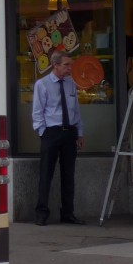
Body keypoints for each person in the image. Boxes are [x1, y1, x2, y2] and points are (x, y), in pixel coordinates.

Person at [32, 51, 85, 225]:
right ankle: (41, 213)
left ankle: (68, 213)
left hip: (69, 132)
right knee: (46, 173)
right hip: (51, 132)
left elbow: (75, 110)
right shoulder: (43, 84)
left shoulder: (71, 85)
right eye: (66, 65)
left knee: (68, 174)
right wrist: (43, 133)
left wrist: (79, 132)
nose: (70, 68)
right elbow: (38, 112)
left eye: (70, 65)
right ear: (56, 65)